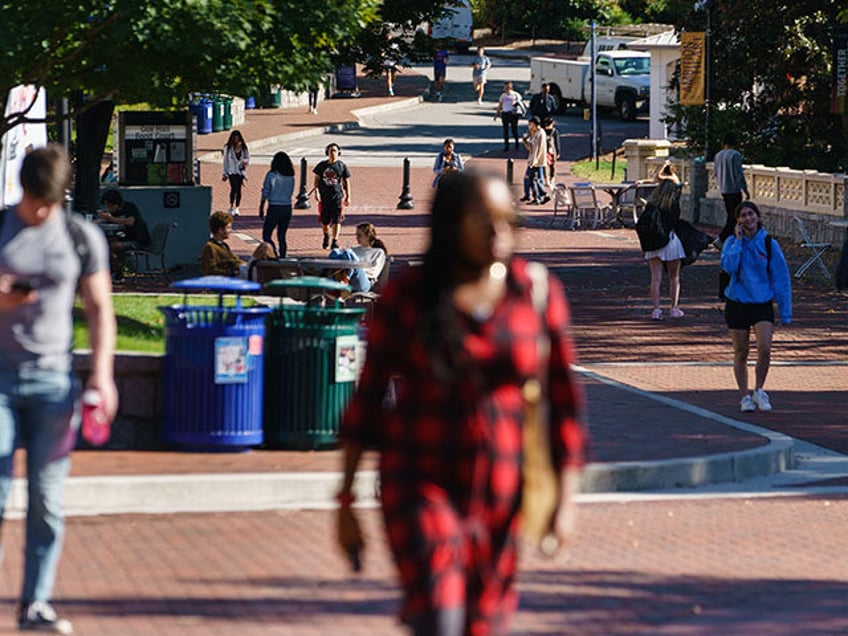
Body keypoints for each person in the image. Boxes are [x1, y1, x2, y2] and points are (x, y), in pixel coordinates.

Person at [336, 170, 587, 636]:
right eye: (483, 221)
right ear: (451, 223)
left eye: (507, 221)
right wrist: (346, 500)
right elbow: (368, 398)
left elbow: (564, 405)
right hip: (418, 479)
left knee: (482, 623)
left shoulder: (533, 293)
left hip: (501, 488)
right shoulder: (411, 295)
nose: (499, 234)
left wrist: (564, 502)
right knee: (440, 614)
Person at [0, 144, 117, 634]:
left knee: (48, 501)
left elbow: (99, 308)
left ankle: (36, 604)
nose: (42, 211)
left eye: (50, 201)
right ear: (22, 188)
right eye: (34, 201)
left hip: (54, 383)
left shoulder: (80, 235)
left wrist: (102, 375)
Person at [720, 201, 792, 413]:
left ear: (757, 216)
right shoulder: (732, 242)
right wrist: (738, 242)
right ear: (738, 221)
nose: (747, 219)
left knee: (765, 347)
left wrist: (785, 311)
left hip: (761, 304)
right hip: (737, 303)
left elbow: (781, 279)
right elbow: (729, 267)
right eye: (742, 215)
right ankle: (744, 396)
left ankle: (759, 389)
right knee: (741, 352)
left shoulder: (769, 244)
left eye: (751, 214)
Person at [641, 167, 686, 321]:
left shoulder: (651, 204)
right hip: (671, 241)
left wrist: (662, 169)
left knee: (656, 278)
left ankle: (656, 309)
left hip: (654, 242)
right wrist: (671, 173)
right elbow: (678, 184)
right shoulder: (673, 204)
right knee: (674, 276)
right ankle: (674, 307)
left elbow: (657, 177)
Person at [99, 188, 151, 284]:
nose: (108, 208)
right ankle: (113, 269)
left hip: (137, 240)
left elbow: (130, 222)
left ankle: (118, 272)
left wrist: (112, 219)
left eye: (109, 205)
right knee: (105, 243)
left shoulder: (130, 208)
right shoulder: (114, 213)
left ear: (116, 203)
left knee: (110, 247)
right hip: (124, 237)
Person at [713, 131, 750, 247]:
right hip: (734, 189)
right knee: (734, 216)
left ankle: (732, 239)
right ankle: (722, 239)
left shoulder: (718, 155)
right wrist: (745, 189)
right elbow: (738, 174)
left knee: (731, 214)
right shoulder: (735, 155)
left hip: (724, 189)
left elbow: (715, 173)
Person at [313, 142, 351, 250]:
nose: (332, 153)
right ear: (327, 153)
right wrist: (316, 191)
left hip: (337, 197)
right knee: (324, 221)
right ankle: (326, 236)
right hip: (324, 198)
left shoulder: (342, 166)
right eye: (330, 151)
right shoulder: (321, 166)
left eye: (334, 150)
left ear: (338, 152)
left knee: (337, 220)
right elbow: (316, 179)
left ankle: (334, 241)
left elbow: (346, 181)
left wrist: (348, 196)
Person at [259, 151, 295, 257]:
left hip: (274, 206)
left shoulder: (272, 175)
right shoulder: (291, 176)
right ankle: (283, 255)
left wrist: (261, 206)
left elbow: (266, 191)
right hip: (287, 206)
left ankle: (273, 253)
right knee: (281, 235)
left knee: (266, 234)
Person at [200, 210, 244, 276]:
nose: (230, 230)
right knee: (263, 248)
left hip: (239, 270)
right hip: (225, 280)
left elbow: (234, 260)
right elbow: (210, 271)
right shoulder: (210, 247)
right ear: (220, 230)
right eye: (228, 228)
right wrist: (231, 272)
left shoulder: (224, 245)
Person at [520, 116, 549, 205]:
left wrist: (535, 161)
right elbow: (531, 148)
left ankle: (540, 196)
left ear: (535, 124)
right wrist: (525, 141)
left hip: (536, 161)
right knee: (533, 179)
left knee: (532, 179)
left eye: (531, 124)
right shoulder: (535, 133)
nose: (529, 126)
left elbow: (539, 149)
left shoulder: (541, 133)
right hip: (532, 159)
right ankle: (541, 195)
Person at [351, 222, 388, 290]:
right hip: (349, 278)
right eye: (356, 235)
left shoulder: (378, 252)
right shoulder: (353, 249)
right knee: (336, 252)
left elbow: (373, 271)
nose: (357, 238)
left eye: (359, 235)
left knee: (349, 257)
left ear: (368, 236)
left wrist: (356, 270)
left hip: (366, 280)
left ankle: (343, 281)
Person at [222, 130, 250, 216]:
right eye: (234, 138)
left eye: (237, 138)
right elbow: (225, 161)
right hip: (231, 171)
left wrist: (245, 162)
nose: (236, 140)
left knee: (239, 190)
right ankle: (231, 206)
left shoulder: (244, 148)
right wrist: (224, 173)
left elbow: (248, 158)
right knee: (233, 188)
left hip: (240, 171)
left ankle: (237, 207)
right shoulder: (228, 148)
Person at [494, 81, 524, 152]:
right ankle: (506, 146)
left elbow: (520, 103)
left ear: (509, 88)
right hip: (505, 113)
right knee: (505, 130)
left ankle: (516, 144)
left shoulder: (515, 95)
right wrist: (496, 114)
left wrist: (516, 104)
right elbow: (500, 105)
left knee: (514, 130)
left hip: (513, 114)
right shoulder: (503, 95)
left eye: (506, 87)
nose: (504, 89)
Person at [542, 116, 561, 187]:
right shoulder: (545, 131)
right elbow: (557, 142)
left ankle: (550, 179)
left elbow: (557, 142)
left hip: (550, 151)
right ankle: (549, 179)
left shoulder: (553, 131)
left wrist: (558, 152)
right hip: (548, 151)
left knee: (551, 166)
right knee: (548, 166)